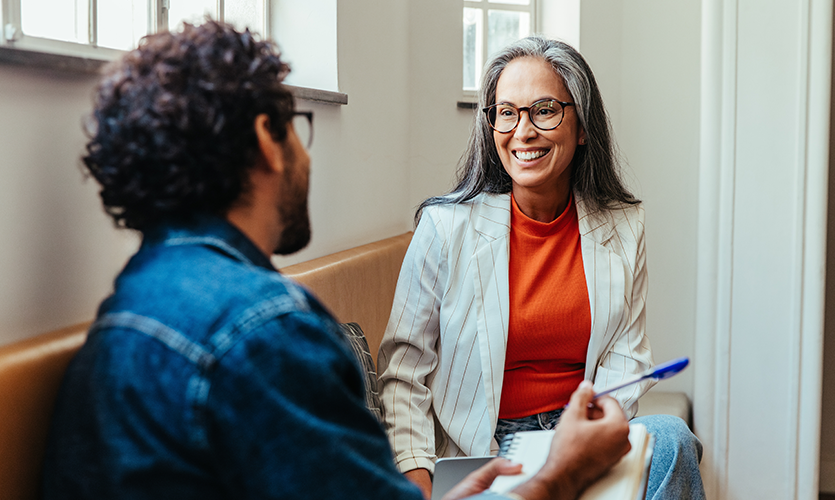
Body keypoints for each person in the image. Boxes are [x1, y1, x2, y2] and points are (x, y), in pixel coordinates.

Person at [39, 20, 634, 500]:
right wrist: (558, 477)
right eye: (298, 126)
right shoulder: (267, 334)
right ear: (268, 142)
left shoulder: (128, 305)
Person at [377, 36, 706, 500]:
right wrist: (417, 481)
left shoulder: (624, 224)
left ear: (583, 126)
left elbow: (625, 355)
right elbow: (404, 371)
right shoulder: (445, 226)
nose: (523, 131)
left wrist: (580, 449)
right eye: (506, 112)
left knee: (671, 438)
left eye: (545, 110)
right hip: (490, 455)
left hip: (580, 431)